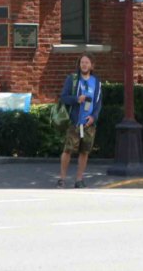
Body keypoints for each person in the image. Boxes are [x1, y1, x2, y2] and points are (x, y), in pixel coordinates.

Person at [57, 54, 101, 188]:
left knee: (84, 152)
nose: (84, 65)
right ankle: (62, 179)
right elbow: (63, 97)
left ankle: (79, 179)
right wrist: (77, 99)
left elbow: (98, 103)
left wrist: (93, 117)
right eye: (82, 62)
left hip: (88, 124)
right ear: (79, 64)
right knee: (68, 150)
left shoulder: (97, 82)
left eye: (87, 62)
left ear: (92, 65)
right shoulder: (73, 79)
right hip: (75, 122)